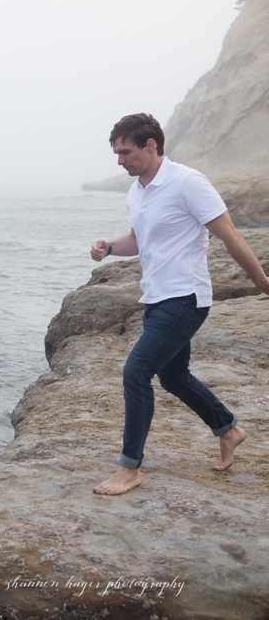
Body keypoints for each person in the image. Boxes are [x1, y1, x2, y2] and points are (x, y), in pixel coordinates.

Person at [90, 113, 268, 495]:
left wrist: (262, 281)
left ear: (151, 145)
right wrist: (108, 249)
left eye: (126, 152)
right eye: (117, 154)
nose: (120, 161)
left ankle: (130, 468)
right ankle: (229, 429)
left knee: (136, 373)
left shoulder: (187, 182)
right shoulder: (137, 190)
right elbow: (139, 241)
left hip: (185, 297)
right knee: (172, 377)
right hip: (156, 296)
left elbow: (229, 233)